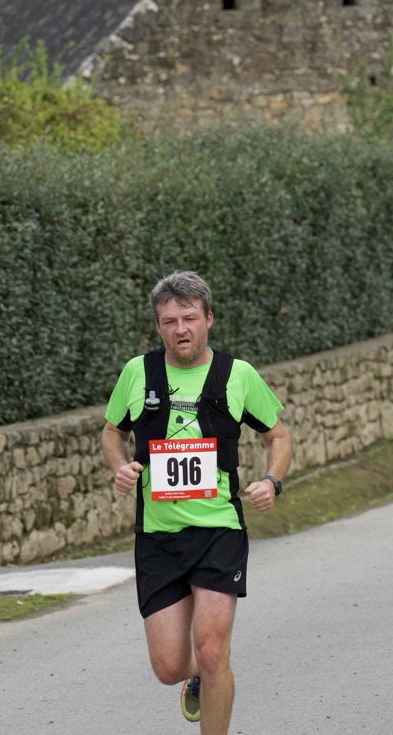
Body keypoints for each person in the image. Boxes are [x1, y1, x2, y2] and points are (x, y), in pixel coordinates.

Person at [102, 270, 292, 734]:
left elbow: (279, 436)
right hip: (158, 537)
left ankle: (209, 679)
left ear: (208, 318)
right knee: (168, 666)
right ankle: (196, 675)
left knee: (212, 650)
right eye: (169, 321)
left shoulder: (237, 374)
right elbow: (112, 432)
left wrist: (272, 481)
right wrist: (120, 466)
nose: (180, 329)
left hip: (219, 531)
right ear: (158, 325)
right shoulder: (138, 372)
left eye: (189, 318)